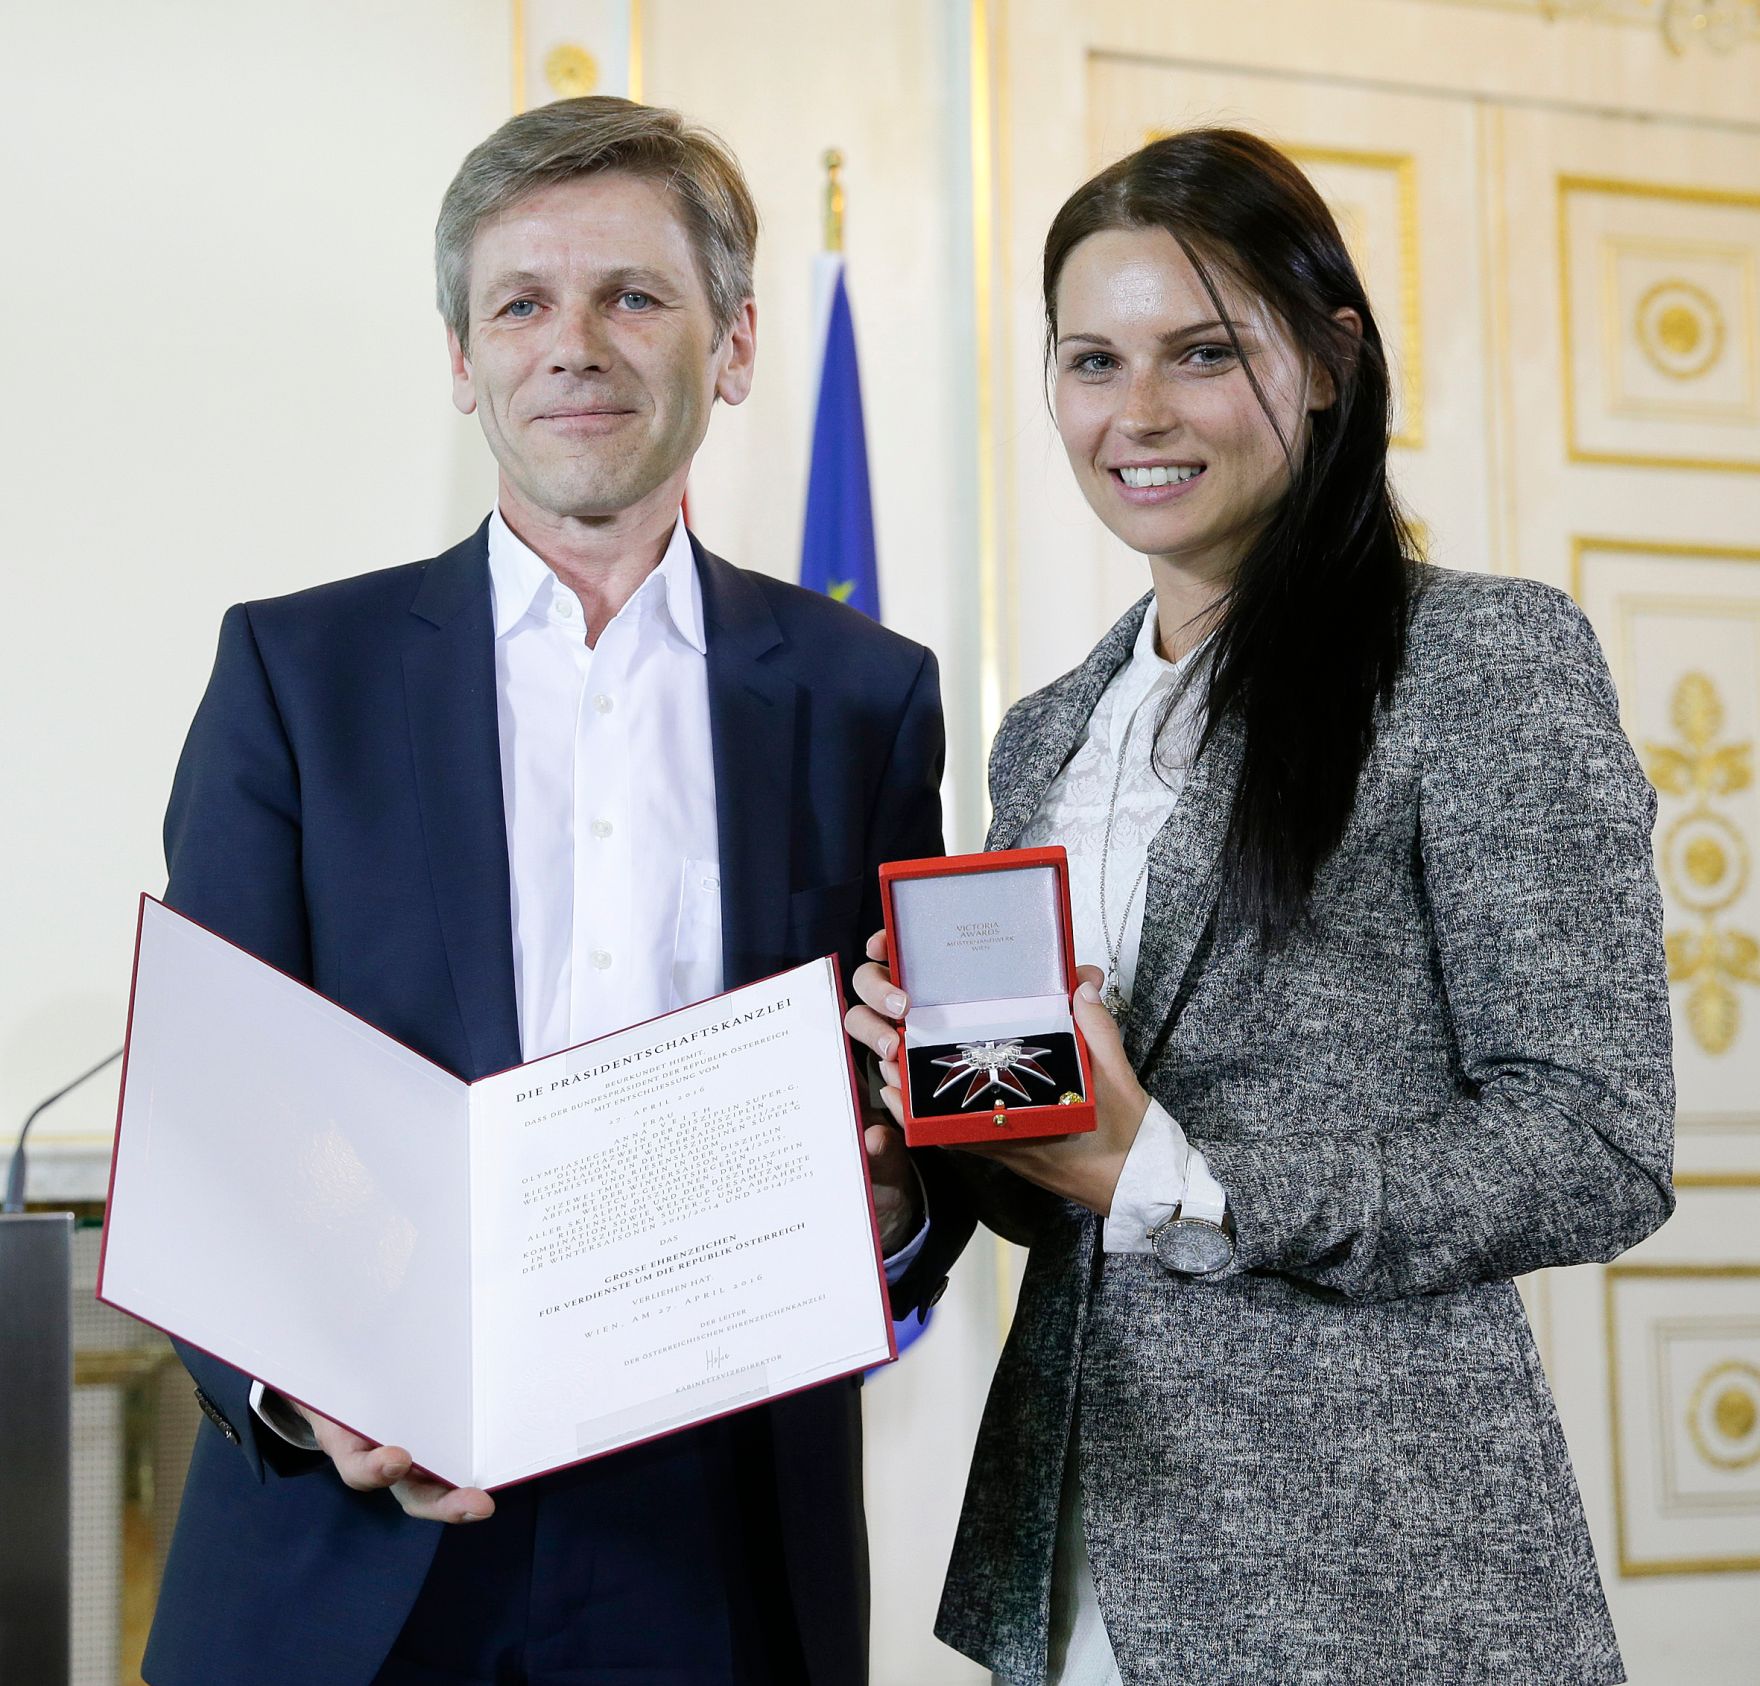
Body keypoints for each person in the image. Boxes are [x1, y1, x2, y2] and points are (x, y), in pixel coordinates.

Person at [847, 128, 1673, 1686]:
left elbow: (1594, 1144)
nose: (1137, 413)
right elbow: (1064, 1181)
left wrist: (1175, 1169)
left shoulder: (1481, 662)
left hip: (1374, 1568)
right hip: (1077, 1550)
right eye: (1092, 359)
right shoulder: (1048, 728)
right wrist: (931, 1138)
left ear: (1329, 363)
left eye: (1203, 353)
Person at [147, 96, 951, 1686]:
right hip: (353, 1547)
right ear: (462, 358)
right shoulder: (294, 673)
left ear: (728, 345)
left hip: (719, 1553)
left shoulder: (868, 696)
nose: (573, 343)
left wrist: (898, 1205)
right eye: (521, 302)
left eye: (633, 296)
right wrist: (302, 1388)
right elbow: (205, 1107)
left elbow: (909, 1102)